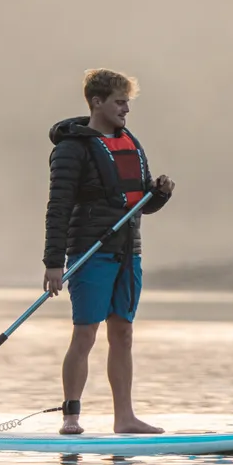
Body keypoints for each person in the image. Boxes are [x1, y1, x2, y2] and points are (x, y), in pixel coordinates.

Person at [44, 69, 175, 435]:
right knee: (85, 334)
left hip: (128, 252)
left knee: (123, 333)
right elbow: (57, 207)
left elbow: (139, 205)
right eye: (120, 102)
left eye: (128, 103)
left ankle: (125, 418)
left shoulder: (130, 142)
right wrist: (53, 263)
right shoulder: (71, 148)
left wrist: (159, 194)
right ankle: (71, 417)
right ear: (96, 102)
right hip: (89, 251)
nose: (126, 110)